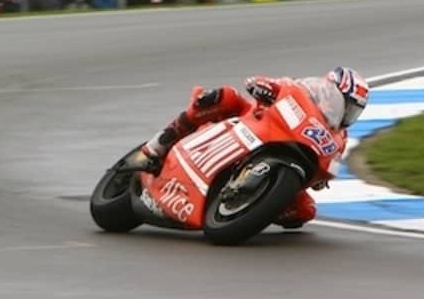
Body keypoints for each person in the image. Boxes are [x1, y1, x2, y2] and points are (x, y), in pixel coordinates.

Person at [126, 67, 369, 229]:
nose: (348, 113)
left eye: (353, 111)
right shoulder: (302, 90)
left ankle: (252, 203)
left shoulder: (339, 136)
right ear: (328, 91)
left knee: (304, 212)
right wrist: (262, 87)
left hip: (291, 156)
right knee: (223, 97)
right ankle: (156, 147)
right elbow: (265, 83)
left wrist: (320, 178)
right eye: (346, 105)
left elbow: (324, 173)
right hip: (255, 122)